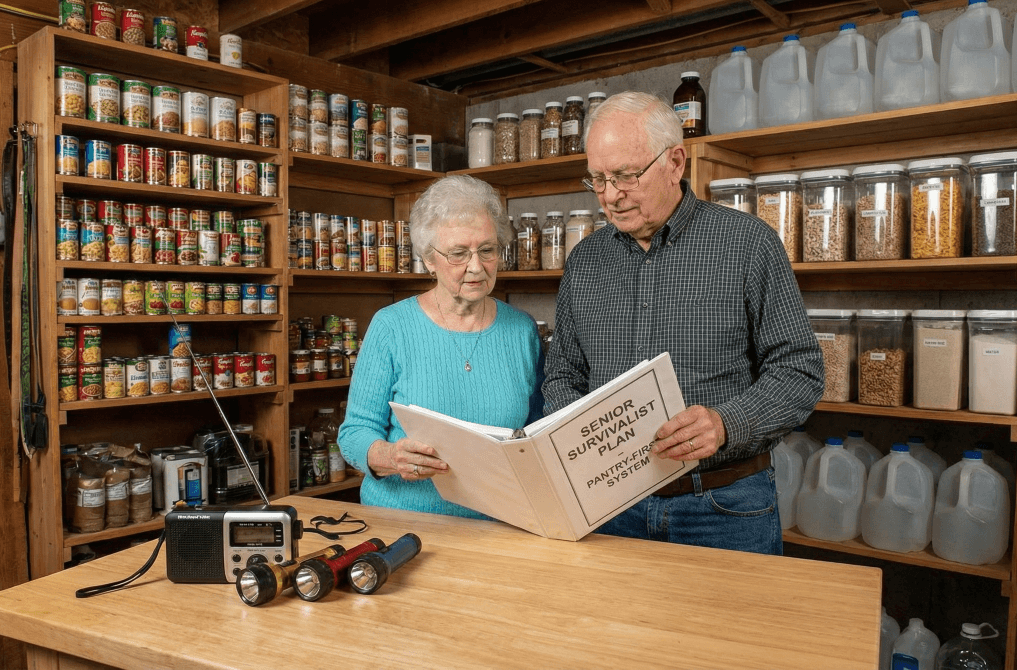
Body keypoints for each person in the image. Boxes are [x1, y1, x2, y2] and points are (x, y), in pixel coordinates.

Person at [542, 91, 824, 554]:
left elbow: (799, 370)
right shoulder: (585, 261)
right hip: (610, 506)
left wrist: (726, 423)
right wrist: (572, 435)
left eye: (626, 176)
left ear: (675, 162)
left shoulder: (748, 244)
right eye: (598, 179)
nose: (611, 195)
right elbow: (563, 373)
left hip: (723, 506)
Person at [339, 174, 543, 518]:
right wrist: (390, 457)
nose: (476, 267)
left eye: (487, 250)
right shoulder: (391, 326)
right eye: (459, 254)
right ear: (429, 259)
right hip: (403, 522)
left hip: (500, 523)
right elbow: (354, 433)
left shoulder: (521, 330)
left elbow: (536, 430)